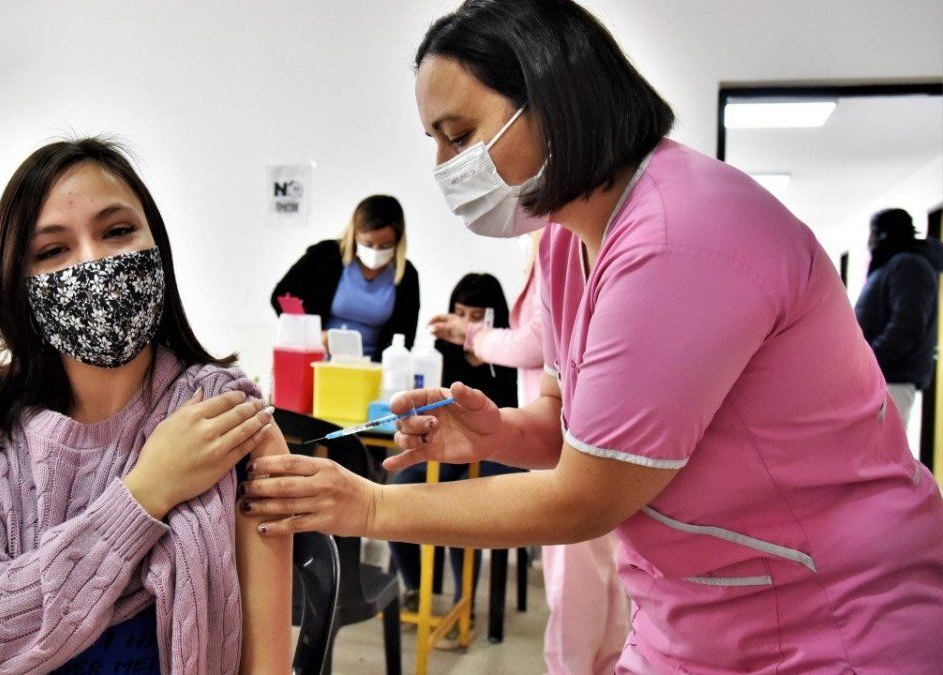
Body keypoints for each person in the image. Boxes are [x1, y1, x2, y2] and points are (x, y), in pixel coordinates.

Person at [240, 2, 943, 673]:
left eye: (460, 135)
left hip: (830, 615)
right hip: (696, 613)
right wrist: (497, 434)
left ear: (554, 99)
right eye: (437, 143)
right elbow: (567, 423)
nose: (446, 168)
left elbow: (586, 496)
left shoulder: (684, 235)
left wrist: (368, 505)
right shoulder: (565, 240)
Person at [0, 138, 291, 674]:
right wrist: (144, 493)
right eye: (52, 250)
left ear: (156, 243)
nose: (94, 262)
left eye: (116, 231)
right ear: (18, 283)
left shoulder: (224, 420)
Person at [431, 234, 628, 674]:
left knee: (576, 579)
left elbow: (538, 342)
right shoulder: (573, 240)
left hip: (572, 437)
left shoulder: (561, 240)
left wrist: (473, 336)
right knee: (601, 572)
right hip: (576, 430)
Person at [387, 272, 518, 648]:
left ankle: (464, 603)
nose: (464, 324)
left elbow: (515, 414)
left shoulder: (510, 354)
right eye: (459, 314)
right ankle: (415, 588)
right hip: (450, 447)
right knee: (399, 491)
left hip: (500, 449)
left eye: (475, 317)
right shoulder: (439, 350)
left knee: (466, 505)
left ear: (494, 319)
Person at [271, 194, 420, 359]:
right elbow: (282, 296)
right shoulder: (325, 255)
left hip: (372, 367)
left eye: (386, 246)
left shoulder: (406, 275)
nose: (376, 251)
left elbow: (405, 338)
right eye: (368, 244)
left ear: (398, 241)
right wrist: (311, 334)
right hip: (320, 361)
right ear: (354, 234)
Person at [855, 208, 943, 431]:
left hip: (891, 377)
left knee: (881, 447)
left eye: (873, 233)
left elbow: (907, 324)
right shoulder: (895, 265)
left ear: (883, 235)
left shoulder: (908, 265)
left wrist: (871, 358)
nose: (869, 241)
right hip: (883, 376)